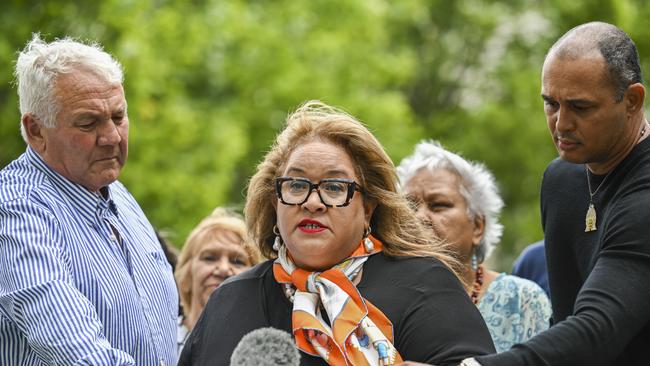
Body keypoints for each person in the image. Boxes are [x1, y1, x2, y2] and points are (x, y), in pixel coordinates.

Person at [179, 101, 495, 365]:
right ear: (276, 203)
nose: (312, 202)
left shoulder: (424, 287)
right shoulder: (232, 299)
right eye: (297, 185)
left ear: (368, 208)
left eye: (334, 187)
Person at [471, 21, 650, 366]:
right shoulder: (561, 178)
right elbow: (565, 320)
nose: (561, 124)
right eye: (551, 103)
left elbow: (596, 332)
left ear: (632, 100)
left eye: (580, 108)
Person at [0, 35, 178, 365]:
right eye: (89, 122)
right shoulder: (15, 211)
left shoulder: (116, 193)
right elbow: (76, 352)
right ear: (36, 130)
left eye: (119, 117)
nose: (112, 137)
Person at [397, 141, 551, 353]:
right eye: (409, 207)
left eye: (438, 205)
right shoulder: (380, 299)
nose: (419, 217)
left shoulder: (522, 301)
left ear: (478, 227)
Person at [174, 207, 259, 354]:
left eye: (237, 261)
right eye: (210, 258)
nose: (224, 269)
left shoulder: (264, 350)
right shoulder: (160, 340)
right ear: (186, 276)